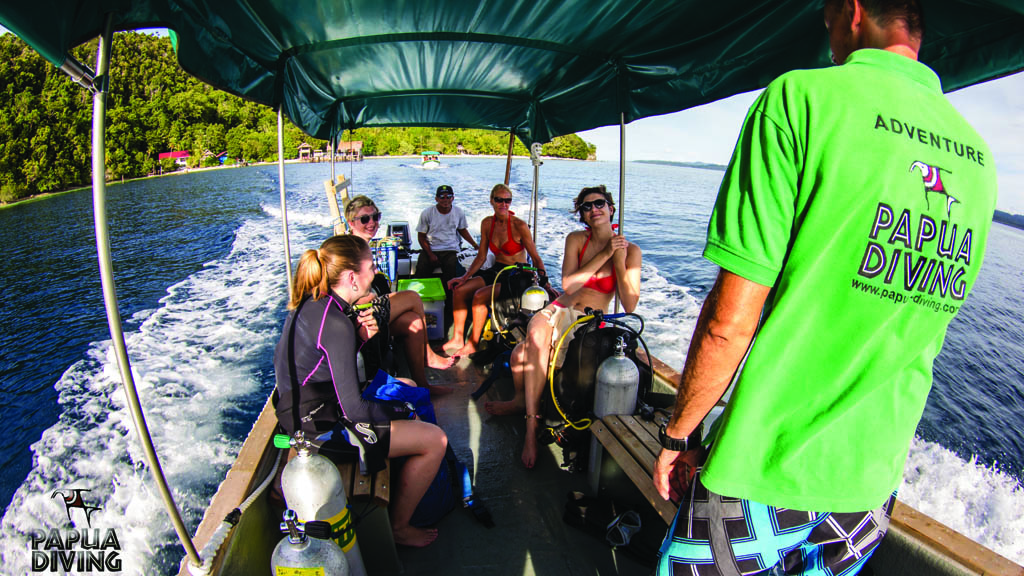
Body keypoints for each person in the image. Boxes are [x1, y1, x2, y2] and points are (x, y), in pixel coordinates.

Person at [652, 1, 998, 574]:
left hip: (766, 468)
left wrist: (677, 435)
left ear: (853, 10)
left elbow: (729, 321)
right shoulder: (979, 158)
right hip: (870, 487)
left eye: (827, 17)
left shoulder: (800, 100)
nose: (828, 33)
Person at [273, 235, 448, 547]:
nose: (376, 272)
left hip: (308, 408)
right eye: (372, 267)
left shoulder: (318, 304)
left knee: (406, 387)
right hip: (318, 428)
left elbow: (326, 366)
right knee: (435, 439)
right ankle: (399, 527)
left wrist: (361, 338)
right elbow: (354, 411)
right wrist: (402, 413)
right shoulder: (336, 323)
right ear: (353, 278)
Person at [486, 185, 642, 468]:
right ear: (581, 214)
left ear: (610, 208)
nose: (594, 209)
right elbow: (569, 284)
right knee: (531, 335)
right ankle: (531, 427)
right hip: (561, 308)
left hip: (588, 318)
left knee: (523, 355)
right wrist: (606, 252)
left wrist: (618, 258)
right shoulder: (575, 240)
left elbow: (630, 304)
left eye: (599, 203)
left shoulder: (630, 251)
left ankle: (525, 403)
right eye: (586, 206)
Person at [346, 196, 456, 394]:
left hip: (370, 310)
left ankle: (422, 385)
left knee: (413, 321)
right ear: (350, 222)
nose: (372, 223)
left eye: (375, 217)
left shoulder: (364, 247)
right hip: (361, 317)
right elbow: (350, 294)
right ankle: (428, 354)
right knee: (412, 297)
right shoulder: (350, 249)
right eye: (364, 219)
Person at [443, 184, 548, 357]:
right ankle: (457, 338)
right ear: (492, 200)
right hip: (497, 270)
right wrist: (464, 277)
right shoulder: (487, 223)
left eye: (507, 200)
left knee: (479, 295)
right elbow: (481, 257)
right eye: (499, 200)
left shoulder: (519, 226)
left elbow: (535, 258)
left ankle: (473, 344)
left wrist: (545, 283)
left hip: (517, 275)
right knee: (459, 291)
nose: (503, 204)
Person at [415, 184, 478, 288]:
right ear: (436, 199)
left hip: (451, 250)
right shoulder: (427, 213)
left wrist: (475, 245)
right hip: (430, 249)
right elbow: (421, 236)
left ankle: (449, 302)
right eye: (442, 197)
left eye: (448, 196)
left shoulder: (459, 212)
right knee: (421, 270)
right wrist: (431, 255)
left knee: (452, 271)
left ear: (453, 198)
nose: (445, 200)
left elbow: (462, 230)